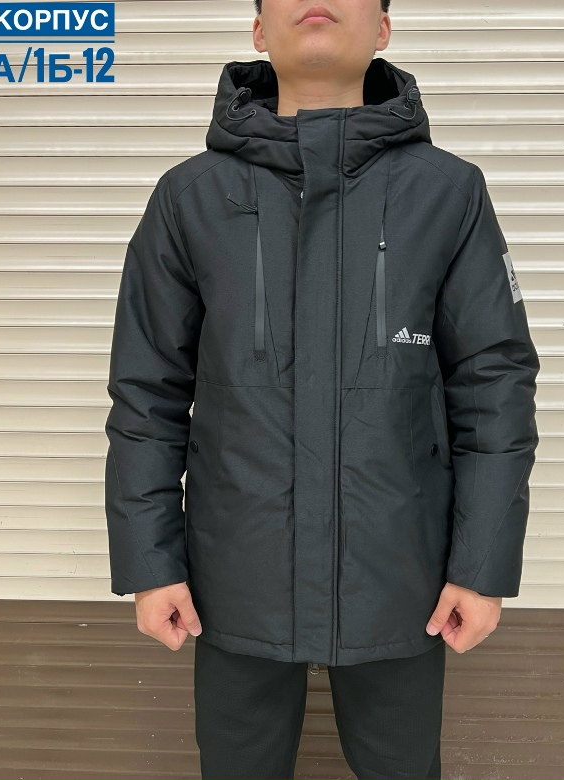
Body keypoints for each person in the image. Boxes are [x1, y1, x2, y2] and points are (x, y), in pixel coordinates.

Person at [103, 1, 540, 778]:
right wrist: (151, 563)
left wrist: (481, 566)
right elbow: (148, 395)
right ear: (257, 30)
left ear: (383, 29)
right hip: (232, 580)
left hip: (402, 578)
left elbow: (494, 387)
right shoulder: (190, 197)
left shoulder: (448, 193)